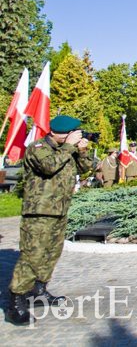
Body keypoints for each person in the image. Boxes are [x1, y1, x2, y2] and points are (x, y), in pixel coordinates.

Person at [6, 115, 93, 325]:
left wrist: (81, 150)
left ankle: (39, 290)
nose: (73, 136)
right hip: (39, 212)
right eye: (71, 133)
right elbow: (48, 166)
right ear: (56, 132)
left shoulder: (68, 150)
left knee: (52, 253)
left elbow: (85, 168)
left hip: (59, 211)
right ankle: (15, 302)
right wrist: (70, 147)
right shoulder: (37, 147)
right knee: (32, 255)